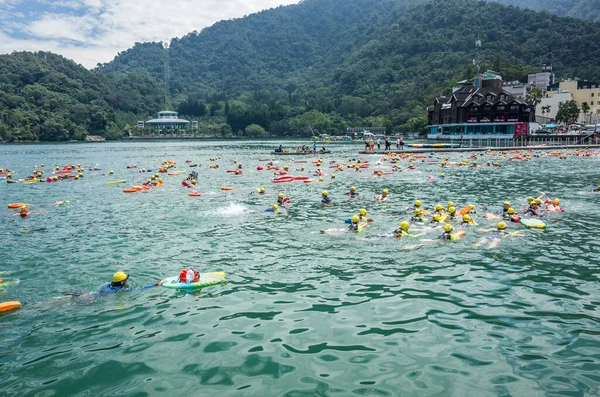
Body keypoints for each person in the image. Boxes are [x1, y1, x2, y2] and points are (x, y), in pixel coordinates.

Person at [98, 272, 165, 295]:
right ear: (122, 282)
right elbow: (141, 288)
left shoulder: (105, 285)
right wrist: (156, 285)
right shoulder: (120, 290)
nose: (127, 281)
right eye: (126, 280)